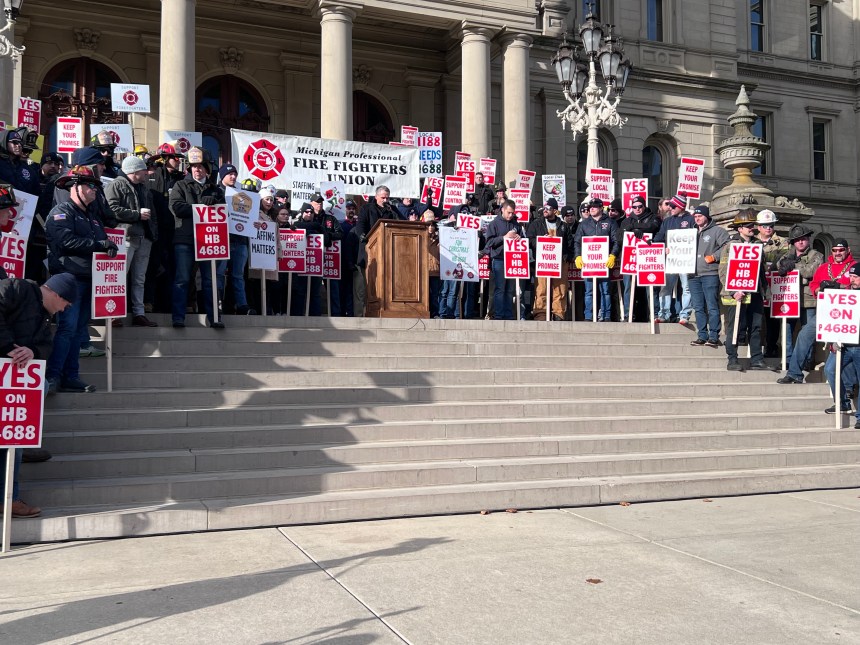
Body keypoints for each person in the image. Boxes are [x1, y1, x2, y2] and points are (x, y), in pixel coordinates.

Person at [0, 272, 77, 518]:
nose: (65, 309)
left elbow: (45, 346)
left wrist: (31, 351)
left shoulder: (45, 318)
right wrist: (9, 348)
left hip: (15, 384)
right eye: (66, 303)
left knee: (15, 437)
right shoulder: (17, 288)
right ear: (56, 293)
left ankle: (9, 497)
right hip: (6, 374)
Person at [45, 166, 117, 392]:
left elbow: (104, 237)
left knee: (77, 330)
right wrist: (99, 245)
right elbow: (66, 242)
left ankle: (71, 376)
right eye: (90, 185)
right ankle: (53, 377)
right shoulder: (61, 212)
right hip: (69, 279)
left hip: (89, 279)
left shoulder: (92, 217)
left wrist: (109, 247)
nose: (95, 190)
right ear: (75, 188)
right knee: (67, 329)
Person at [168, 146, 225, 329]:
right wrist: (201, 206)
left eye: (200, 166)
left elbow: (225, 214)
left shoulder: (216, 190)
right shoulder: (180, 185)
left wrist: (214, 204)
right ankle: (178, 317)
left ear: (207, 168)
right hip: (185, 239)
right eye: (193, 166)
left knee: (210, 281)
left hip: (209, 241)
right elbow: (176, 207)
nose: (197, 169)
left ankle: (214, 317)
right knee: (182, 279)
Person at [105, 155, 159, 327]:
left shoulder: (143, 187)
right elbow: (110, 209)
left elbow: (153, 213)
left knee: (139, 279)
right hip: (125, 237)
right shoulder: (116, 184)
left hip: (144, 238)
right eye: (144, 170)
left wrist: (153, 234)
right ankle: (113, 313)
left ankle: (139, 313)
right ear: (135, 171)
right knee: (119, 277)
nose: (147, 173)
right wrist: (136, 214)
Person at [718, 210, 771, 371]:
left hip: (755, 293)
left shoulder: (757, 245)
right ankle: (732, 358)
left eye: (752, 225)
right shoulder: (730, 246)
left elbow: (761, 270)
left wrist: (765, 291)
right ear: (739, 229)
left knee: (756, 327)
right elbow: (723, 271)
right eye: (748, 226)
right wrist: (734, 291)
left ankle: (756, 359)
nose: (752, 228)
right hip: (737, 294)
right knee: (735, 327)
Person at [774, 225, 826, 384]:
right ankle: (789, 359)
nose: (801, 242)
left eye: (803, 239)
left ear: (808, 239)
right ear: (793, 243)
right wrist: (788, 266)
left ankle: (807, 361)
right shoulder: (787, 254)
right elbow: (778, 266)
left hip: (808, 299)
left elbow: (811, 271)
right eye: (797, 240)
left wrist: (794, 267)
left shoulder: (816, 254)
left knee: (807, 331)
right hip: (789, 298)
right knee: (786, 330)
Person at [353, 186, 399, 316]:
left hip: (386, 255)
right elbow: (360, 225)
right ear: (377, 196)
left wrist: (393, 211)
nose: (385, 200)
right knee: (362, 289)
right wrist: (363, 235)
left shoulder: (391, 209)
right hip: (368, 254)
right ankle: (359, 316)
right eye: (383, 197)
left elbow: (402, 222)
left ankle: (382, 313)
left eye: (387, 198)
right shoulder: (367, 208)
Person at [687, 204, 729, 348]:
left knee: (711, 305)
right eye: (696, 216)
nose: (697, 218)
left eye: (700, 216)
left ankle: (713, 336)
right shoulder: (690, 232)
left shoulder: (717, 231)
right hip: (692, 275)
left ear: (707, 216)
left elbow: (728, 246)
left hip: (710, 273)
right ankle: (702, 335)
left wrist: (714, 256)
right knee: (698, 307)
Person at [823, 262, 860, 422]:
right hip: (843, 344)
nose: (852, 280)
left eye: (855, 277)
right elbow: (833, 317)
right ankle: (843, 402)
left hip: (858, 346)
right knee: (830, 370)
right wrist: (833, 339)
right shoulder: (843, 294)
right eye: (850, 276)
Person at [218, 162, 255, 315]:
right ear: (222, 176)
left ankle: (241, 305)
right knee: (219, 274)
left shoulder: (241, 195)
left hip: (240, 241)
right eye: (230, 174)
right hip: (221, 239)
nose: (233, 176)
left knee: (238, 276)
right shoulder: (215, 192)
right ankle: (217, 303)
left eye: (235, 174)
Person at [574, 197, 619, 322]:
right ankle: (589, 316)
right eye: (590, 207)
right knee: (589, 291)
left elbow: (616, 241)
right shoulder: (584, 224)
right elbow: (577, 242)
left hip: (604, 263)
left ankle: (606, 315)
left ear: (600, 208)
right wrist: (578, 256)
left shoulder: (610, 223)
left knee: (605, 290)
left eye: (594, 207)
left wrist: (612, 255)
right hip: (589, 263)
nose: (591, 209)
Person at [527, 198, 572, 321]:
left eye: (548, 209)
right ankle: (541, 313)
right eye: (544, 208)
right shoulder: (536, 223)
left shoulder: (563, 226)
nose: (545, 211)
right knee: (541, 287)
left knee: (560, 288)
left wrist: (566, 256)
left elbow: (569, 243)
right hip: (543, 260)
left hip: (560, 261)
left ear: (555, 211)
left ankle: (558, 313)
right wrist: (541, 241)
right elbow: (529, 239)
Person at [655, 192, 696, 324]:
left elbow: (696, 238)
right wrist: (663, 248)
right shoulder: (667, 221)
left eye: (673, 206)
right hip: (671, 260)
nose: (670, 208)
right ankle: (664, 314)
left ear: (681, 206)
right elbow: (659, 239)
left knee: (686, 287)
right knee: (666, 287)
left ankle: (684, 315)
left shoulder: (691, 219)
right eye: (670, 206)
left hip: (686, 260)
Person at [618, 194, 661, 321]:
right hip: (629, 258)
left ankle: (654, 314)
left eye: (639, 206)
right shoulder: (627, 220)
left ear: (644, 206)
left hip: (647, 259)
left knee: (650, 287)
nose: (637, 209)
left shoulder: (652, 217)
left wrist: (636, 228)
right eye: (634, 207)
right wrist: (631, 229)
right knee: (628, 287)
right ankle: (627, 314)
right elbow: (620, 236)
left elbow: (653, 227)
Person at [756, 209, 790, 358]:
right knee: (755, 317)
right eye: (764, 225)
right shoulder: (752, 241)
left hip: (774, 285)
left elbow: (786, 258)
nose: (768, 228)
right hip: (757, 284)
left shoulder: (782, 242)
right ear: (758, 227)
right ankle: (753, 346)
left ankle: (771, 346)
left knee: (772, 319)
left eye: (770, 225)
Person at [483, 199, 525, 320]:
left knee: (510, 289)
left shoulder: (516, 224)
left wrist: (519, 237)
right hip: (499, 259)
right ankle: (499, 314)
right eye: (509, 212)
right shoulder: (494, 224)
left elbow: (522, 239)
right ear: (502, 210)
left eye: (512, 213)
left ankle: (508, 314)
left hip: (512, 259)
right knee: (500, 288)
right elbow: (489, 242)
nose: (510, 215)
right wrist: (504, 237)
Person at [311, 192, 344, 316]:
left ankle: (335, 314)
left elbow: (340, 234)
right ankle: (315, 314)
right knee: (314, 287)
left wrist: (327, 236)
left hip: (330, 257)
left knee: (333, 287)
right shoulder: (308, 215)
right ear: (311, 203)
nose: (319, 204)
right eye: (316, 202)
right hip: (313, 257)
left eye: (320, 202)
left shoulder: (330, 218)